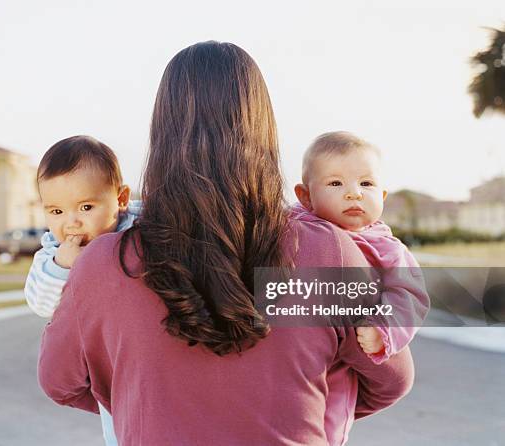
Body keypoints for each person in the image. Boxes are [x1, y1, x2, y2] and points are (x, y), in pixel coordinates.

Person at [38, 41, 414, 445]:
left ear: (161, 133)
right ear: (264, 131)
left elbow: (61, 382)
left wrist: (142, 401)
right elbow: (390, 379)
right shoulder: (329, 251)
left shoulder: (103, 263)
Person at [292, 131, 429, 444]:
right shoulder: (295, 228)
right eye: (336, 183)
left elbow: (410, 297)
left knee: (327, 418)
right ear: (305, 196)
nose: (353, 193)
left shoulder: (386, 249)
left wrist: (384, 330)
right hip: (297, 351)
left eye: (366, 184)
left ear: (381, 196)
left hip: (341, 361)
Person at [25, 135, 140, 446]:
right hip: (107, 367)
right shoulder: (53, 254)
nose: (71, 223)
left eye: (86, 207)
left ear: (121, 198)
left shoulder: (140, 229)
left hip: (140, 354)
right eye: (56, 212)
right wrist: (63, 267)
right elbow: (40, 303)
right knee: (120, 425)